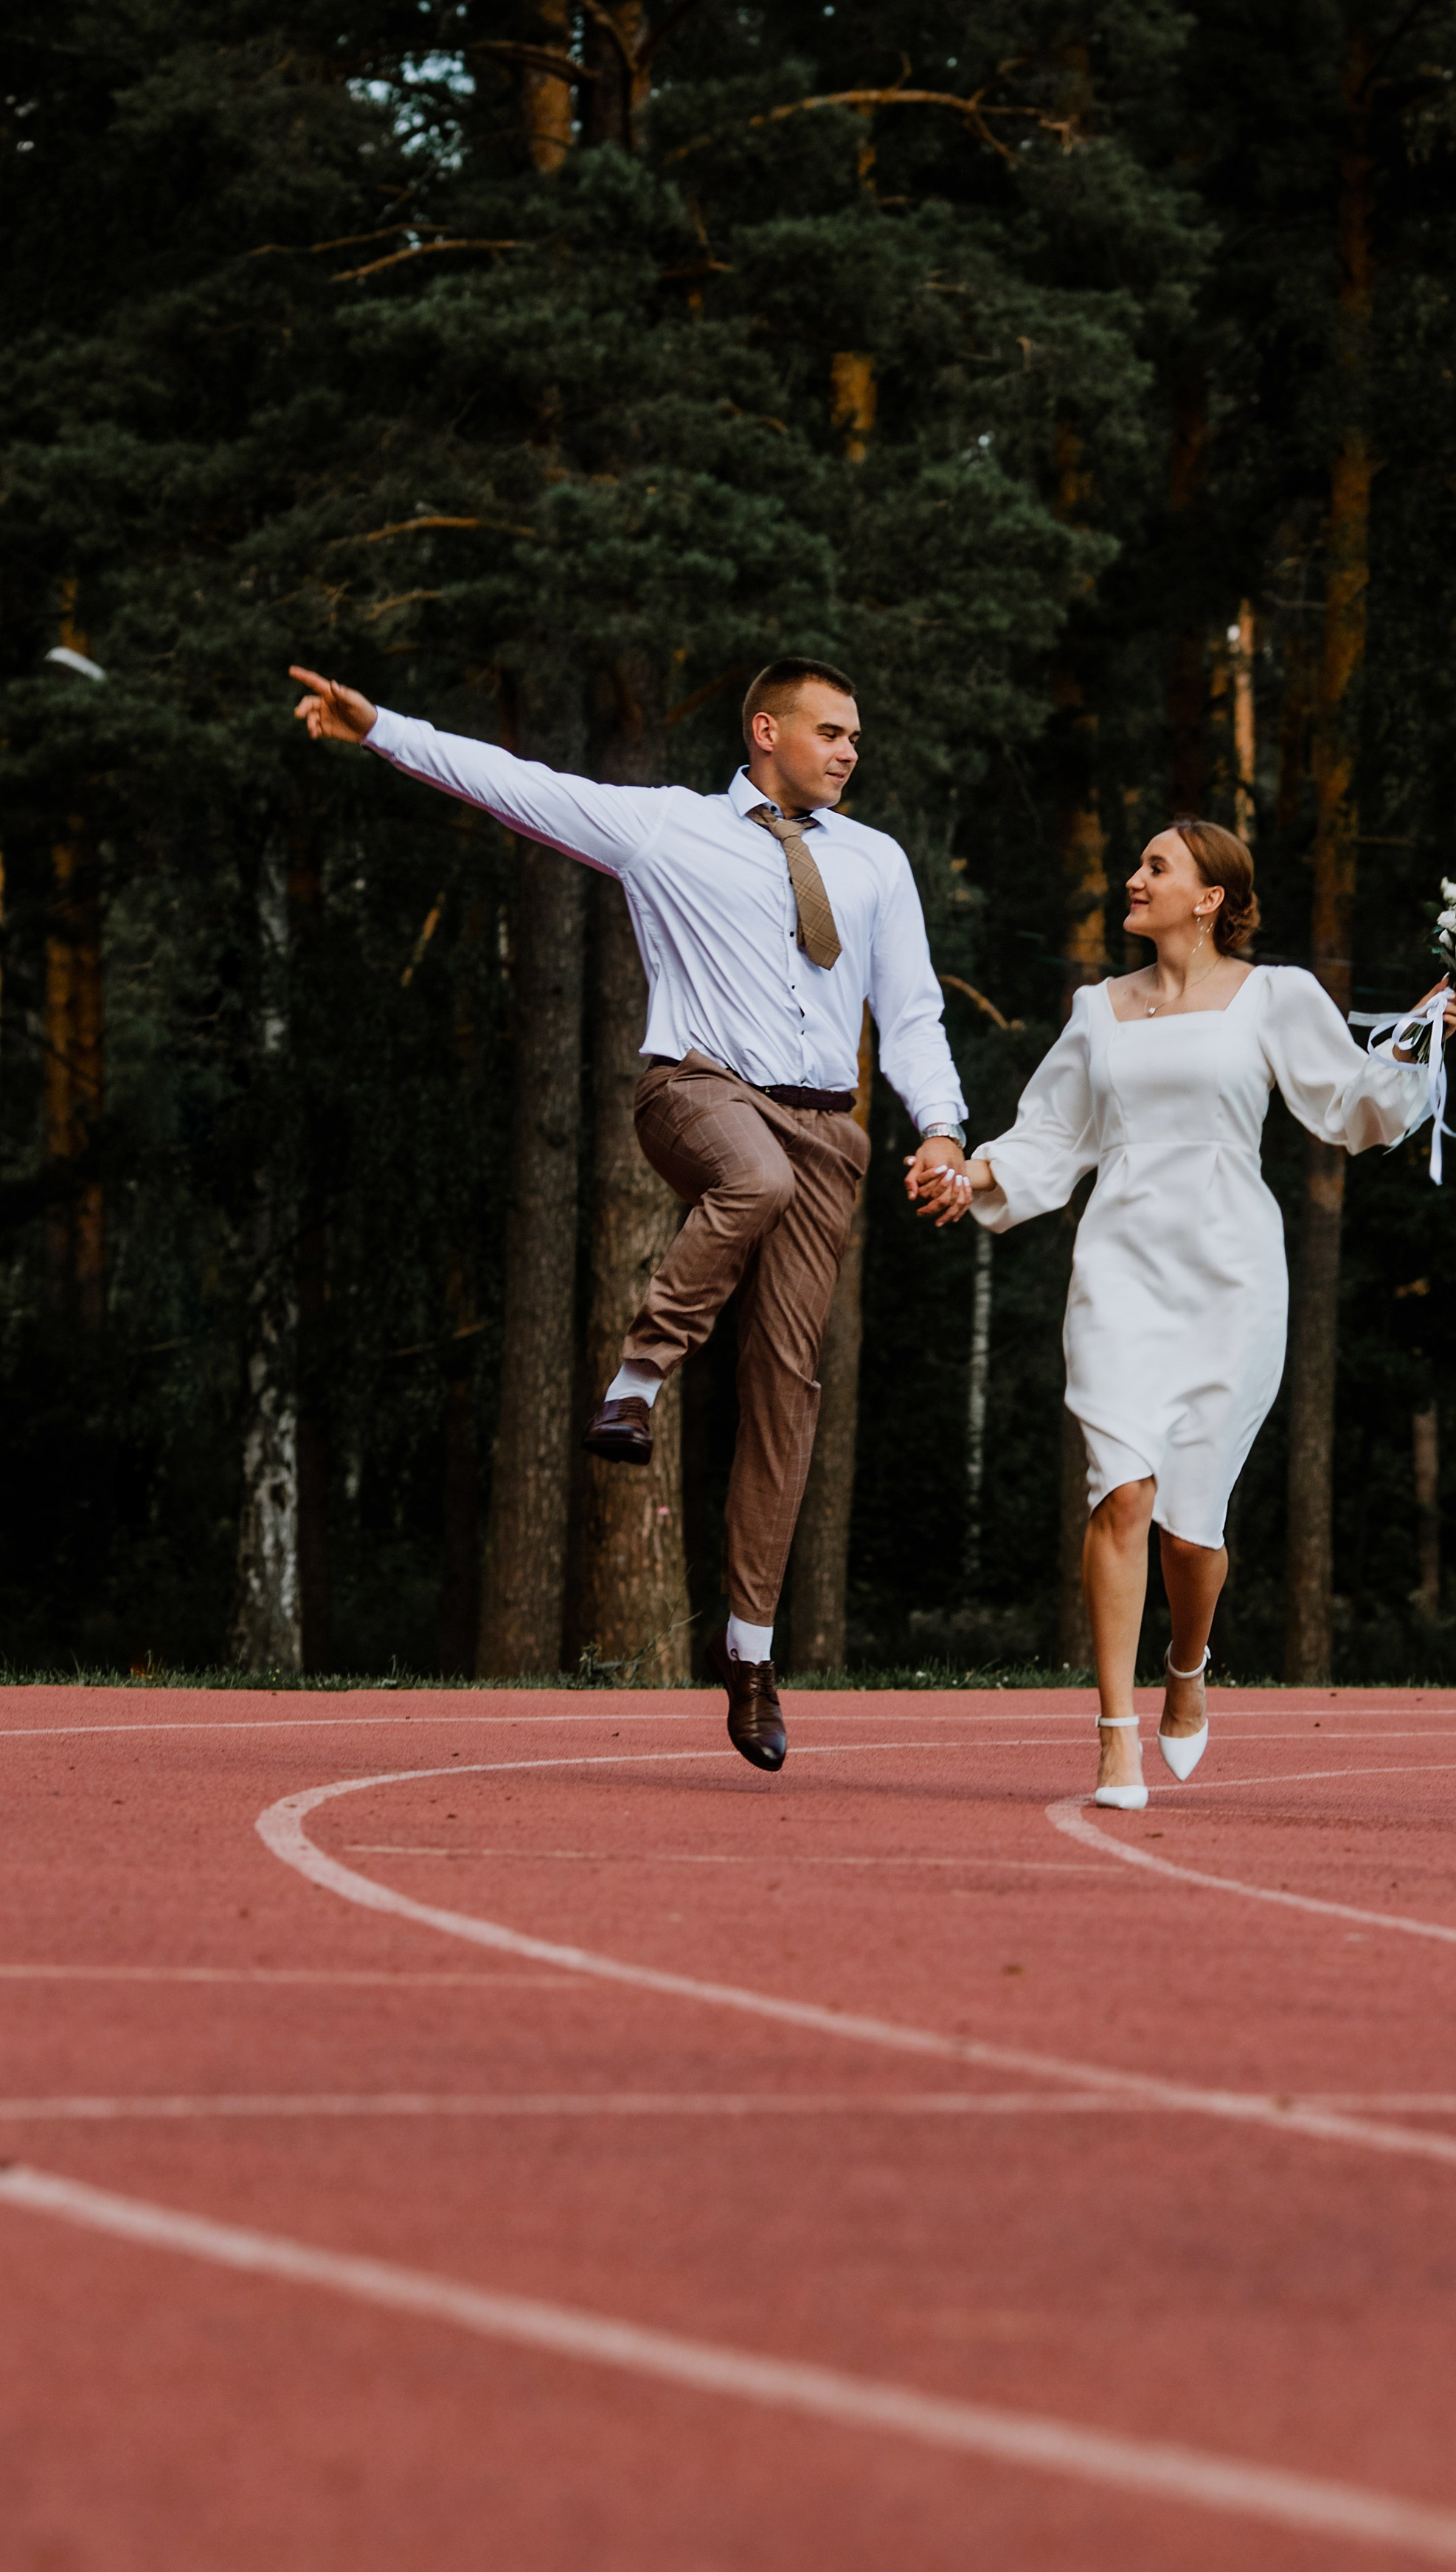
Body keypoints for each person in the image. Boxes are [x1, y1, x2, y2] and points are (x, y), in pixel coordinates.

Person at [289, 657, 971, 1772]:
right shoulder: (666, 829)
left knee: (786, 1390)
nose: (853, 750)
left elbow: (911, 1011)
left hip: (824, 1128)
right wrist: (378, 730)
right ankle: (639, 1378)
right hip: (696, 1092)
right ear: (765, 730)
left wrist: (939, 1127)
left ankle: (748, 1651)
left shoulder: (877, 862)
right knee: (752, 1179)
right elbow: (511, 780)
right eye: (832, 731)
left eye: (858, 736)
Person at [956, 820, 1456, 1811]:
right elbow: (1049, 1137)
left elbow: (1348, 1100)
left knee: (1192, 1533)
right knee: (1120, 1493)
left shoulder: (1275, 996)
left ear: (1210, 897)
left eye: (1157, 866)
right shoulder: (1096, 1011)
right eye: (1137, 863)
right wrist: (966, 1173)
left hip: (1232, 1273)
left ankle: (1187, 1663)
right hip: (1120, 1268)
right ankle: (1115, 1738)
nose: (1132, 877)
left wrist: (1415, 1040)